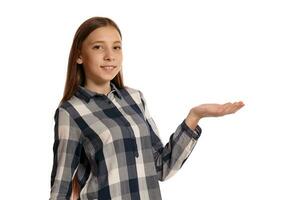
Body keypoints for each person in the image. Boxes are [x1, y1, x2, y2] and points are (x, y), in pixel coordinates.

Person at [49, 16, 244, 200]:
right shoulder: (70, 112)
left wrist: (194, 117)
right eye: (98, 47)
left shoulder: (135, 98)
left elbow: (161, 167)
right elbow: (61, 187)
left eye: (116, 47)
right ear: (79, 56)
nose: (110, 56)